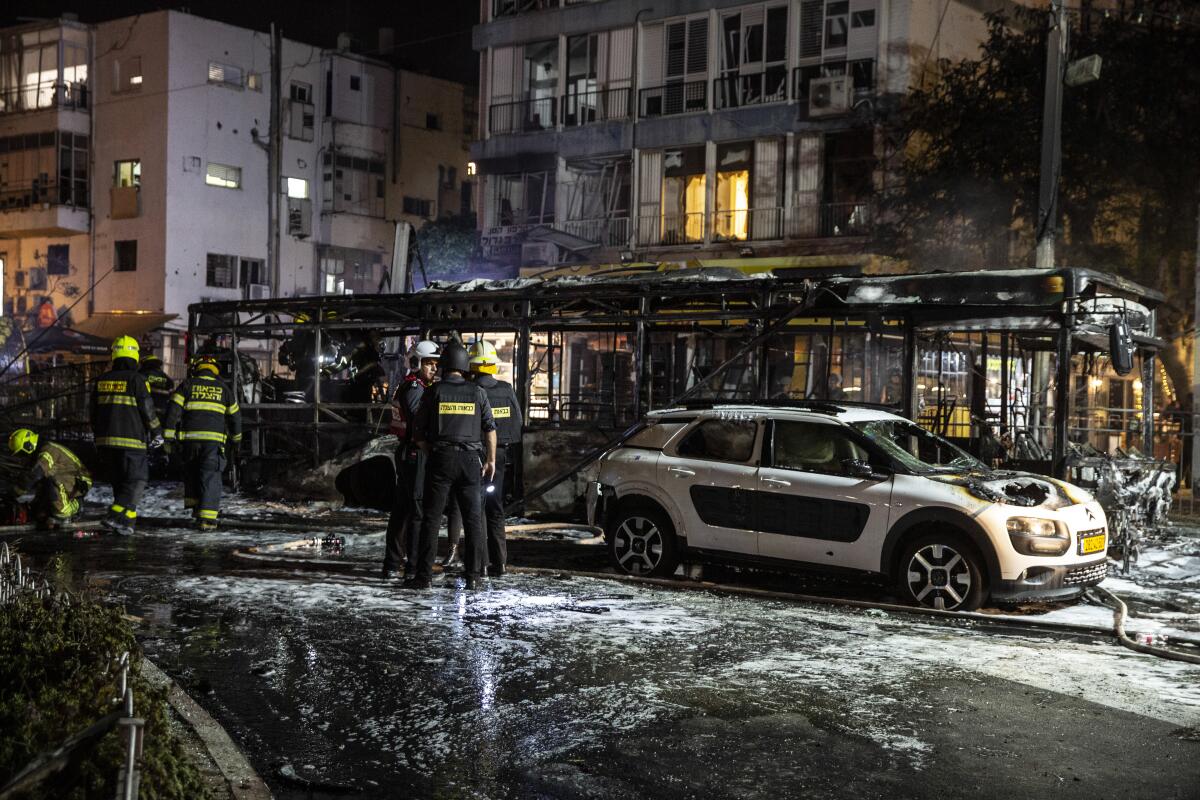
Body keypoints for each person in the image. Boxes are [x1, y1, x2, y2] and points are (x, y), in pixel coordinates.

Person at [406, 342, 496, 591]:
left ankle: (423, 577)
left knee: (432, 519)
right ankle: (473, 577)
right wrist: (491, 460)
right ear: (466, 367)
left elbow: (418, 431)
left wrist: (432, 452)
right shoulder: (477, 392)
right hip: (470, 462)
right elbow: (490, 428)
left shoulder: (434, 391)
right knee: (473, 520)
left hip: (441, 459)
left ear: (445, 366)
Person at [91, 335, 162, 535]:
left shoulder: (101, 380)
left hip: (106, 443)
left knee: (121, 485)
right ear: (135, 356)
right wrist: (157, 432)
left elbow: (92, 413)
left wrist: (99, 437)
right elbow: (147, 409)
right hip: (131, 442)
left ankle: (126, 524)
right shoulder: (137, 379)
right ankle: (114, 516)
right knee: (137, 480)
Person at [163, 355, 243, 531]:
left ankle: (195, 509)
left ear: (197, 368)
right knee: (210, 477)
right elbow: (235, 417)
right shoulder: (224, 389)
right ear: (215, 370)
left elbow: (172, 412)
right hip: (213, 444)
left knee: (192, 473)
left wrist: (167, 438)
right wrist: (237, 440)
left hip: (189, 443)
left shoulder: (187, 385)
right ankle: (207, 519)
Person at [382, 340, 439, 579]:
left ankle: (393, 564)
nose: (434, 369)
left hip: (409, 453)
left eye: (436, 364)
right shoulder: (415, 388)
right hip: (415, 453)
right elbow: (418, 425)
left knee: (402, 511)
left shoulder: (412, 385)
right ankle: (412, 566)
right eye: (429, 364)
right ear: (416, 363)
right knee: (416, 512)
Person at [468, 339, 523, 577]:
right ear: (493, 365)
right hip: (500, 456)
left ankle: (479, 563)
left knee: (476, 509)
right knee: (496, 507)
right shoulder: (506, 389)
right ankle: (499, 564)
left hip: (475, 454)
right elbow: (518, 423)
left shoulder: (470, 391)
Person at [7, 429, 92, 530]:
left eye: (21, 452)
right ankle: (47, 508)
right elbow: (30, 477)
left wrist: (14, 493)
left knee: (60, 511)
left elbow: (34, 475)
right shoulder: (40, 453)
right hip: (67, 478)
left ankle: (76, 505)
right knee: (39, 513)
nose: (22, 456)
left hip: (80, 481)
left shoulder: (47, 451)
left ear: (28, 445)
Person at [140, 352, 175, 418]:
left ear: (145, 364)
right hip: (162, 412)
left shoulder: (141, 376)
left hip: (145, 412)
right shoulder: (168, 380)